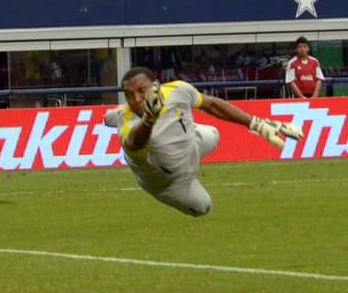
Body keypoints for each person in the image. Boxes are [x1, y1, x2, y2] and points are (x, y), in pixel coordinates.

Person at [103, 66, 304, 217]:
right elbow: (133, 143)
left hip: (192, 146)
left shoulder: (177, 90)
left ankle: (111, 115)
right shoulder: (129, 123)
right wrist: (148, 120)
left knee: (214, 135)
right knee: (203, 207)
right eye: (129, 95)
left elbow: (211, 104)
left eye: (141, 90)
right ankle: (112, 116)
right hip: (167, 181)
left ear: (156, 86)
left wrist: (257, 124)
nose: (137, 99)